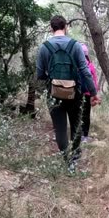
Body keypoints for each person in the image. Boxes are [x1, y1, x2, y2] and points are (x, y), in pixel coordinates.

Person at [36, 16, 97, 172]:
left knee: (60, 129)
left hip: (54, 93)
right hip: (74, 94)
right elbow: (85, 72)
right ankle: (75, 157)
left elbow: (40, 74)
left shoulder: (45, 47)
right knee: (76, 125)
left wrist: (53, 78)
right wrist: (94, 93)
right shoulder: (75, 46)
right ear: (66, 27)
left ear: (51, 28)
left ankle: (66, 160)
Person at [80, 43, 101, 143]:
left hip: (77, 92)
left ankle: (77, 134)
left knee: (77, 113)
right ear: (87, 54)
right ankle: (84, 136)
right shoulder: (90, 65)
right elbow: (95, 80)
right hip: (88, 93)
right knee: (86, 114)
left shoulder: (76, 64)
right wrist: (95, 93)